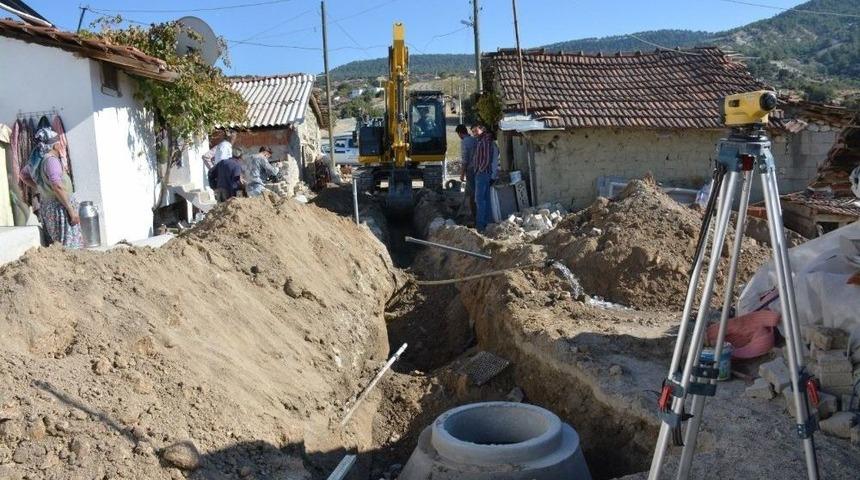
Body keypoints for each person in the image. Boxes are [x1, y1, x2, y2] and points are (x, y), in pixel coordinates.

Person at [19, 127, 82, 248]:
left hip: (48, 207)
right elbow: (57, 186)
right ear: (55, 145)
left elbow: (23, 175)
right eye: (59, 142)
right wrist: (71, 210)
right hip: (60, 209)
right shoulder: (51, 161)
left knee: (57, 245)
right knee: (68, 247)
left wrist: (40, 186)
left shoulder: (38, 160)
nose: (61, 145)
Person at [472, 124, 499, 232]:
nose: (474, 133)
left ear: (482, 130)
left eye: (476, 130)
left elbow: (486, 159)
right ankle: (487, 223)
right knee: (485, 199)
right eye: (473, 131)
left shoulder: (485, 141)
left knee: (479, 200)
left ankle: (480, 225)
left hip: (482, 174)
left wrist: (479, 170)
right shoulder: (482, 141)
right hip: (483, 173)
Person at [456, 124, 478, 222]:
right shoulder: (474, 140)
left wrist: (462, 174)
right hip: (478, 169)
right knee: (472, 192)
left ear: (460, 133)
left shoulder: (465, 142)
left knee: (472, 194)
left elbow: (465, 160)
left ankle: (474, 216)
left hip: (471, 170)